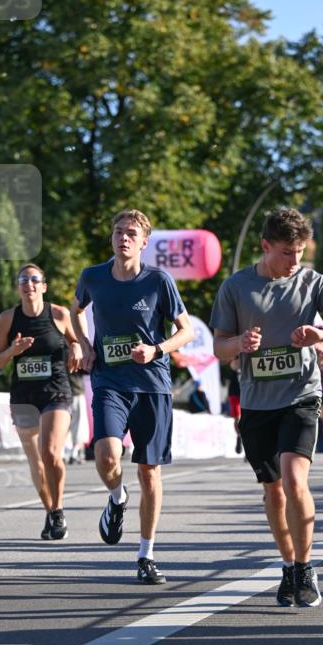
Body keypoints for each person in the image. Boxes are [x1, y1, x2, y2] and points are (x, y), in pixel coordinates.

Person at [210, 206, 323, 608]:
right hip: (258, 404)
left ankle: (306, 566)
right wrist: (239, 345)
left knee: (296, 481)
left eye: (300, 251)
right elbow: (218, 345)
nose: (295, 260)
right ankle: (287, 564)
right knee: (274, 493)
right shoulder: (236, 287)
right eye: (286, 252)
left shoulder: (311, 280)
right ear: (265, 246)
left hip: (301, 395)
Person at [71, 209, 193, 585]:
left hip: (152, 384)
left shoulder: (158, 281)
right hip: (110, 380)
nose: (123, 238)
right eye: (118, 231)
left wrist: (156, 350)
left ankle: (146, 554)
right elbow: (76, 311)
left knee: (149, 471)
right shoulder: (92, 276)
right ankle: (117, 496)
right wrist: (84, 344)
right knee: (106, 453)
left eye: (132, 233)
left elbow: (185, 331)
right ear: (112, 237)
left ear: (144, 242)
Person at [0, 263, 81, 540]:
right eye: (23, 280)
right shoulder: (8, 318)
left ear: (43, 286)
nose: (28, 284)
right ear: (18, 288)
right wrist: (11, 351)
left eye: (34, 279)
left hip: (56, 391)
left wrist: (75, 347)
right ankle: (50, 511)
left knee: (51, 452)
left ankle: (59, 509)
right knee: (37, 462)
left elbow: (78, 341)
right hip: (24, 397)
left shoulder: (59, 314)